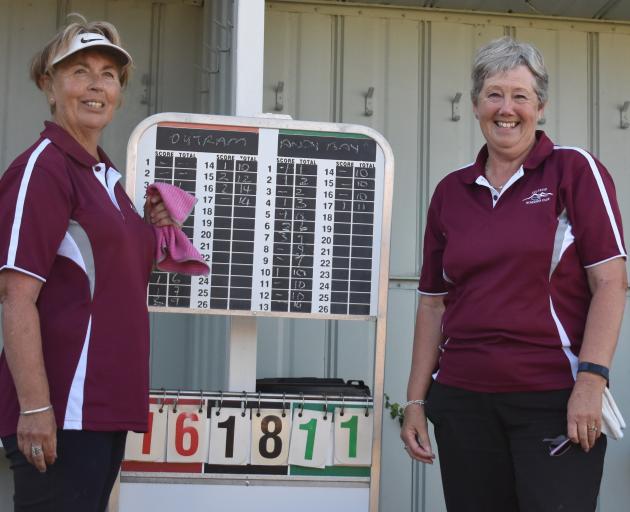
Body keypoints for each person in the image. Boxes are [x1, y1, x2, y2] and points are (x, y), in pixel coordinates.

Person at [401, 36, 627, 512]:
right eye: (494, 94)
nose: (507, 108)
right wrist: (416, 402)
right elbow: (432, 302)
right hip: (463, 400)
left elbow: (609, 281)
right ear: (477, 105)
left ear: (540, 106)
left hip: (553, 398)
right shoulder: (450, 191)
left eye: (520, 96)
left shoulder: (573, 171)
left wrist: (592, 380)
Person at [0, 17, 171, 511]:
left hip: (104, 407)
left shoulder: (107, 180)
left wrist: (155, 230)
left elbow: (112, 286)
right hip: (60, 414)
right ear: (48, 85)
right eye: (79, 71)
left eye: (108, 74)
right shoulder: (45, 167)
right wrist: (35, 408)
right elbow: (16, 295)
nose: (96, 84)